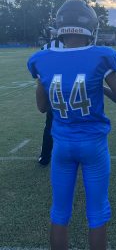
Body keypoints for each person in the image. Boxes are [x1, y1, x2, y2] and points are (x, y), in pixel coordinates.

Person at [27, 0, 116, 250]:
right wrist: (101, 88)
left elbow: (42, 107)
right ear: (90, 28)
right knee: (97, 211)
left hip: (62, 144)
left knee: (60, 212)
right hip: (93, 144)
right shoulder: (101, 56)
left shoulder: (42, 59)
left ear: (60, 28)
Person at [38, 34, 64, 166]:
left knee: (50, 125)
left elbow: (40, 72)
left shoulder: (45, 48)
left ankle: (45, 156)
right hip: (72, 87)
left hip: (52, 88)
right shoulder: (73, 45)